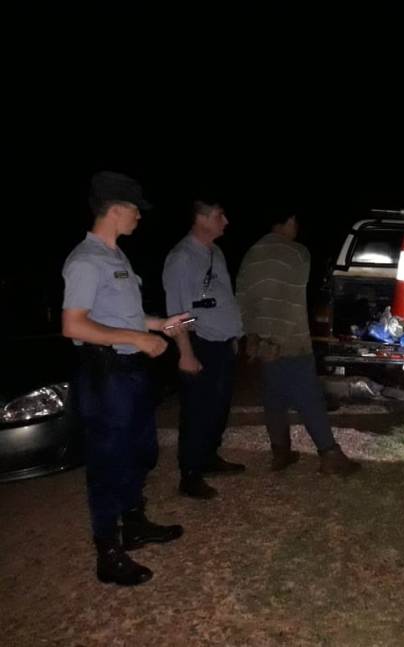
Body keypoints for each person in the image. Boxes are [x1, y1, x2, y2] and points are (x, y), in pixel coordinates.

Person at [62, 171, 189, 586]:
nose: (139, 216)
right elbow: (74, 325)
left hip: (130, 372)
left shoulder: (116, 256)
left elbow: (122, 316)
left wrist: (158, 325)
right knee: (108, 461)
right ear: (116, 209)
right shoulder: (85, 260)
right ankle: (108, 551)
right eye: (135, 209)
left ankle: (134, 524)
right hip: (106, 374)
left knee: (140, 451)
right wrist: (136, 338)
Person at [236, 211, 360, 475]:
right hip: (290, 340)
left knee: (274, 396)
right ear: (290, 220)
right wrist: (277, 340)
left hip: (262, 341)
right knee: (309, 397)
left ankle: (280, 451)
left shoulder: (252, 253)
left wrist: (253, 337)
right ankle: (330, 455)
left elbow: (243, 298)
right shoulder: (297, 252)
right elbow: (292, 300)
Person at [162, 199, 245, 499]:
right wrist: (186, 353)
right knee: (197, 410)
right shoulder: (181, 258)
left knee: (218, 408)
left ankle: (209, 457)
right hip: (201, 342)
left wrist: (234, 334)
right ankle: (190, 474)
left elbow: (223, 298)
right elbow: (178, 313)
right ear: (201, 218)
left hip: (222, 342)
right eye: (220, 215)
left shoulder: (215, 253)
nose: (226, 221)